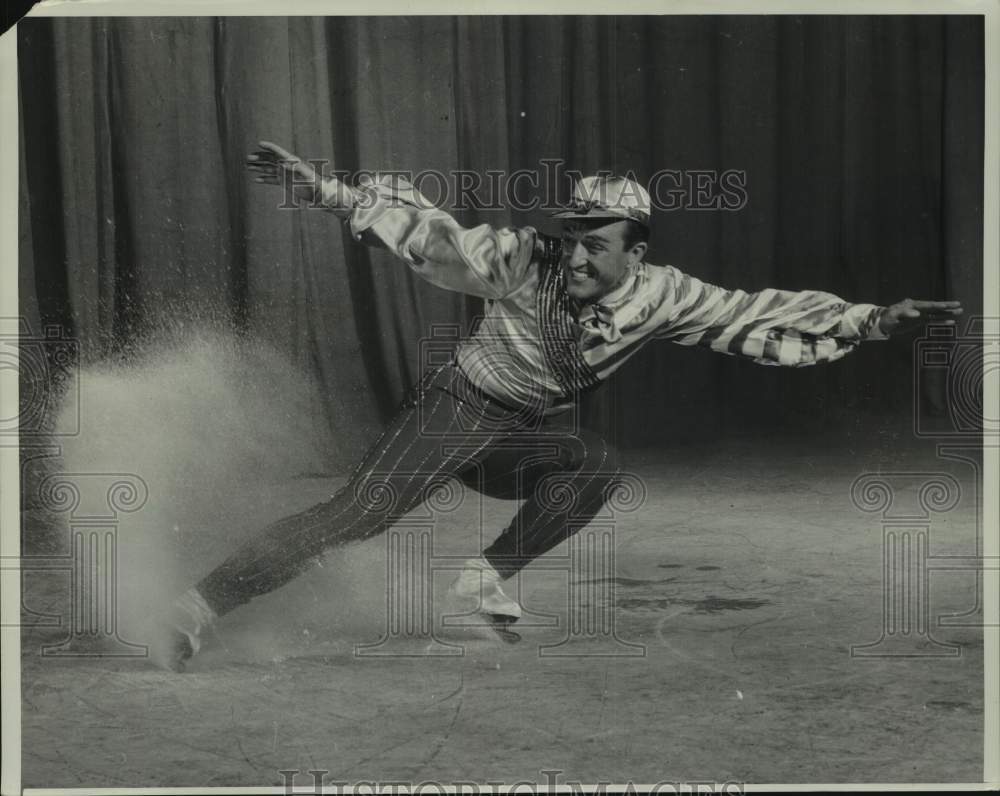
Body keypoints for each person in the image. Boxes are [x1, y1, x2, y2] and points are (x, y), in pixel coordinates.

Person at [153, 141, 963, 671]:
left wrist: (870, 321)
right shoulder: (522, 257)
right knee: (357, 514)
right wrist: (327, 192)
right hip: (454, 409)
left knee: (595, 465)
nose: (574, 255)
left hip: (515, 434)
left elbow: (753, 313)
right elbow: (426, 236)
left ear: (637, 254)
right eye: (570, 237)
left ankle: (480, 585)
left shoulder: (667, 295)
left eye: (595, 245)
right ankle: (194, 608)